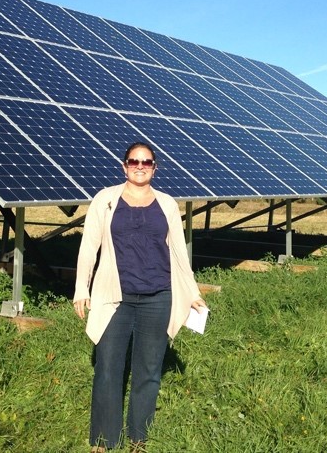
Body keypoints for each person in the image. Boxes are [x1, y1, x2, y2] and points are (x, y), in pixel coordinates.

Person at [74, 142, 207, 452]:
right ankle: (104, 439)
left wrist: (192, 293)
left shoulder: (167, 204)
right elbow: (89, 245)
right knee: (108, 368)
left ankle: (139, 438)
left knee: (148, 371)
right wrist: (82, 286)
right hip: (114, 297)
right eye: (134, 160)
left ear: (154, 167)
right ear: (124, 166)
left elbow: (177, 251)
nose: (140, 165)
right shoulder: (105, 200)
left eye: (146, 162)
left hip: (158, 296)